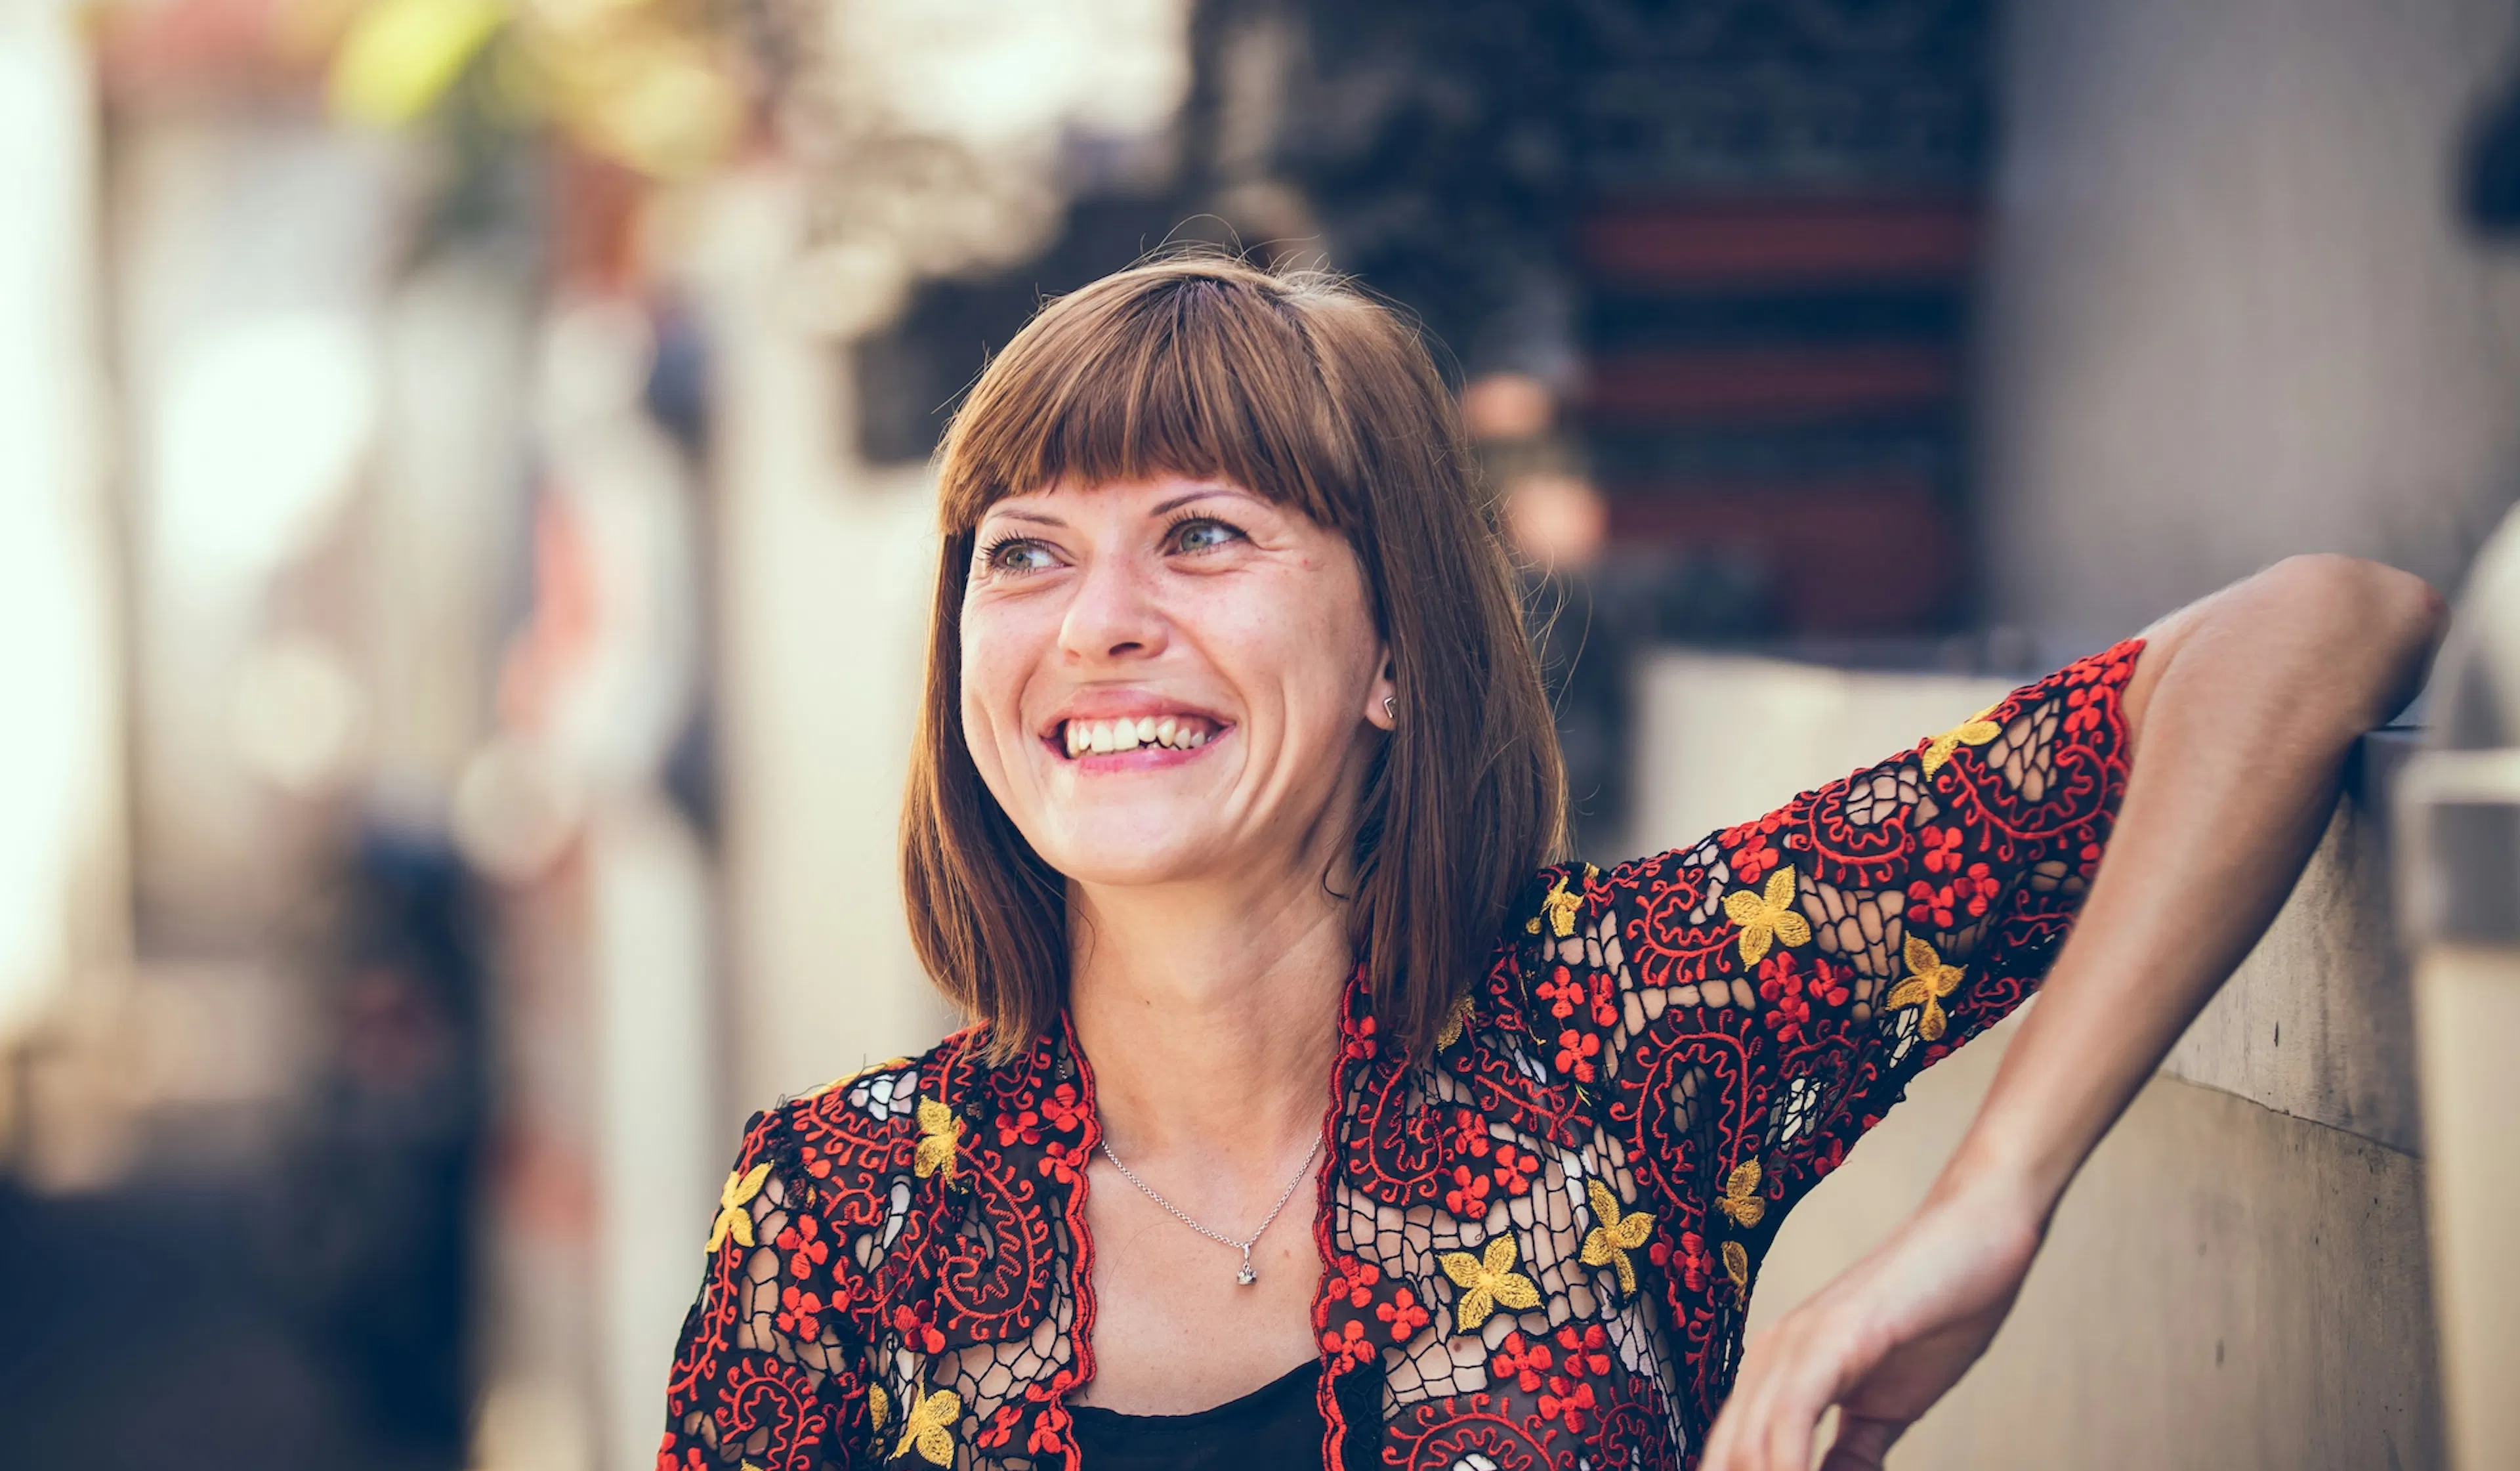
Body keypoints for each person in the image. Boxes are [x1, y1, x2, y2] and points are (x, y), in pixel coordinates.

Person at [654, 257, 2443, 1471]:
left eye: (1201, 535)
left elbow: (2312, 633)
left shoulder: (1631, 1029)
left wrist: (1990, 1199)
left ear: (1397, 655)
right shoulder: (835, 1214)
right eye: (1027, 555)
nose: (1098, 625)